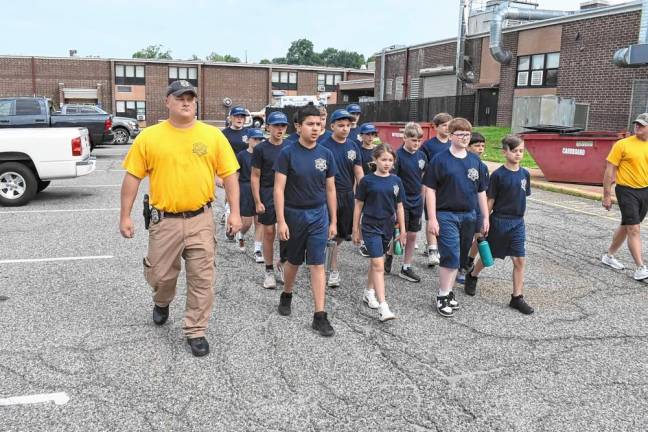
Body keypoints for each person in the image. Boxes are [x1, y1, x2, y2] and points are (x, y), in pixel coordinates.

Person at [119, 80, 242, 357]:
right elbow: (132, 178)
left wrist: (234, 211)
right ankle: (162, 301)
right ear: (167, 102)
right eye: (180, 98)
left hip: (201, 219)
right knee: (161, 276)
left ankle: (195, 330)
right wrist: (125, 216)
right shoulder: (149, 137)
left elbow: (231, 175)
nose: (186, 102)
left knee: (202, 278)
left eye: (191, 98)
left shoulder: (212, 136)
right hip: (164, 221)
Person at [274, 104, 338, 336]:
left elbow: (330, 189)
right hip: (293, 215)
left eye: (318, 125)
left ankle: (320, 315)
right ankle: (287, 293)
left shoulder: (326, 154)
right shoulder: (287, 153)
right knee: (294, 261)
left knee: (317, 263)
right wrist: (281, 220)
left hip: (318, 215)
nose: (315, 128)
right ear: (298, 127)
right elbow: (279, 189)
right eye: (310, 124)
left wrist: (333, 221)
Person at [424, 117, 488, 318]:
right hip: (446, 214)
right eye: (459, 134)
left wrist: (485, 216)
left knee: (459, 257)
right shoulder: (440, 160)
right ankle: (442, 295)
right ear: (451, 136)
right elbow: (431, 190)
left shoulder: (474, 161)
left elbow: (481, 191)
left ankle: (449, 290)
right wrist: (432, 218)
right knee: (450, 254)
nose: (464, 138)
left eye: (467, 134)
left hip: (468, 215)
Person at [464, 135, 534, 315]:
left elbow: (521, 197)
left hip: (518, 222)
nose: (518, 154)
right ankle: (473, 275)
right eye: (514, 151)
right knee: (489, 258)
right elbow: (490, 201)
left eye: (521, 151)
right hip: (500, 220)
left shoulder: (525, 174)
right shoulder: (498, 175)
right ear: (505, 152)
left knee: (519, 260)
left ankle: (517, 297)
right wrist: (484, 221)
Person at [353, 144, 406, 321]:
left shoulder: (396, 181)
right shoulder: (367, 181)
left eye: (390, 160)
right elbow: (358, 205)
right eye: (383, 159)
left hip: (387, 226)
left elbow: (399, 206)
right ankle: (384, 306)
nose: (387, 163)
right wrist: (355, 229)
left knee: (377, 262)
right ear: (375, 160)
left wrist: (403, 230)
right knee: (378, 264)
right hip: (370, 225)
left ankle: (369, 292)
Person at [601, 113, 648, 281]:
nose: (637, 127)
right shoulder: (622, 145)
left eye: (642, 125)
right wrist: (606, 195)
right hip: (626, 190)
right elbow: (609, 170)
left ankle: (609, 256)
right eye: (637, 124)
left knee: (627, 225)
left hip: (645, 191)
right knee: (634, 229)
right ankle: (640, 268)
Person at [320, 109, 364, 288]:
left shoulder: (353, 146)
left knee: (339, 235)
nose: (345, 129)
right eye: (341, 125)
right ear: (332, 126)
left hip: (347, 195)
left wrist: (367, 191)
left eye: (348, 125)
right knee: (327, 232)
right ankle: (330, 269)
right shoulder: (323, 145)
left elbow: (359, 171)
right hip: (326, 194)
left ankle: (326, 259)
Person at [251, 111, 289, 289]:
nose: (280, 129)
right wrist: (257, 200)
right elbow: (255, 176)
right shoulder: (261, 149)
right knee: (268, 232)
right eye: (276, 126)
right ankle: (268, 271)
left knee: (287, 234)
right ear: (268, 127)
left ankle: (282, 262)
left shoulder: (290, 147)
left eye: (283, 126)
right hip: (267, 192)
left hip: (288, 194)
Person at [389, 122, 427, 283]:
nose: (416, 144)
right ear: (404, 138)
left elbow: (423, 180)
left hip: (416, 201)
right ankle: (389, 255)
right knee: (398, 233)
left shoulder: (422, 157)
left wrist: (422, 200)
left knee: (412, 234)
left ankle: (406, 266)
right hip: (401, 201)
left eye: (419, 141)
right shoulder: (397, 157)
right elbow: (393, 181)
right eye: (413, 140)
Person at [457, 131, 490, 284]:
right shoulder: (462, 163)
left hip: (477, 209)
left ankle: (467, 262)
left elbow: (483, 191)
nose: (481, 149)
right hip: (463, 207)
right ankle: (460, 266)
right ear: (469, 147)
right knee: (463, 239)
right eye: (477, 146)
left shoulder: (482, 167)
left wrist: (485, 213)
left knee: (479, 235)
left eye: (483, 146)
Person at [421, 112, 453, 267]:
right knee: (430, 217)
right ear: (435, 127)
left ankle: (437, 245)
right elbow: (421, 167)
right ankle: (432, 249)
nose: (447, 128)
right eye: (444, 125)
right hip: (431, 185)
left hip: (448, 187)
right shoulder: (428, 145)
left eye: (449, 125)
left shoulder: (453, 144)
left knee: (444, 217)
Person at [236, 127, 265, 262]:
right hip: (246, 188)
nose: (258, 142)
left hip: (261, 189)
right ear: (248, 140)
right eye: (255, 139)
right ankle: (241, 235)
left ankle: (257, 249)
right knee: (247, 222)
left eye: (260, 139)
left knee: (259, 221)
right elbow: (236, 175)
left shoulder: (264, 154)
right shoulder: (242, 155)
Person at [220, 106, 251, 226]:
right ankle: (228, 211)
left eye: (242, 116)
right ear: (231, 118)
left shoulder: (248, 132)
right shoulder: (224, 133)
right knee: (230, 191)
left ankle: (240, 212)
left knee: (243, 190)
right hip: (230, 168)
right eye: (237, 116)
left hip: (245, 167)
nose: (240, 119)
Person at [357, 122, 379, 257]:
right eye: (368, 134)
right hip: (362, 185)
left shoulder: (377, 150)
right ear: (361, 136)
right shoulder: (358, 150)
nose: (370, 137)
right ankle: (362, 242)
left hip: (376, 186)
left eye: (373, 134)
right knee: (361, 215)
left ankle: (373, 238)